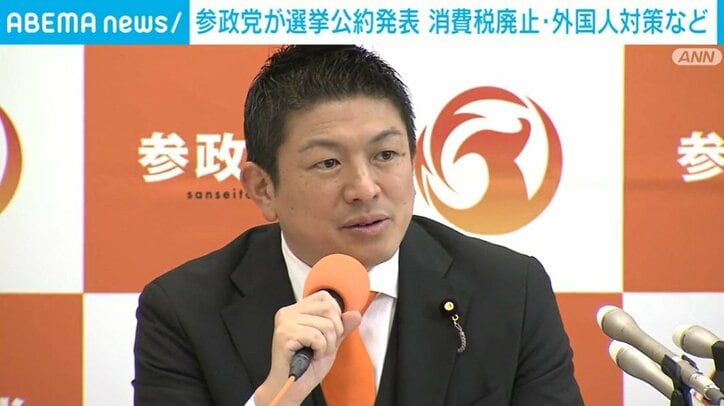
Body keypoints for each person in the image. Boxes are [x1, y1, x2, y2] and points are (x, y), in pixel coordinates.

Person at [133, 45, 583, 406]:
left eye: (386, 155)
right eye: (328, 163)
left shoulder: (510, 291)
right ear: (263, 188)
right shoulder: (184, 311)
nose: (365, 188)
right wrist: (274, 398)